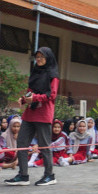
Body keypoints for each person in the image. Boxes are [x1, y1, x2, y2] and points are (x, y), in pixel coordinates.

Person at [5, 47, 59, 186]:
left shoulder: (53, 74)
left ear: (48, 58)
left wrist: (34, 97)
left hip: (43, 113)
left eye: (42, 57)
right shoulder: (35, 72)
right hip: (30, 112)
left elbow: (52, 95)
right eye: (37, 57)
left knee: (44, 145)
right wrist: (24, 99)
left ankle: (50, 175)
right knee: (22, 142)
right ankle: (23, 175)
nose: (39, 59)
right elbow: (30, 92)